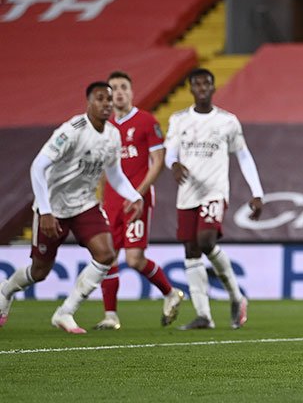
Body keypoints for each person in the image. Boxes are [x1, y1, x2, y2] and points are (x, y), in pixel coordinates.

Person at [0, 81, 144, 333]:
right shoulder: (71, 130)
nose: (106, 104)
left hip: (85, 205)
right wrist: (45, 210)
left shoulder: (112, 134)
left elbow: (115, 173)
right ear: (88, 103)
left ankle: (65, 312)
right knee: (40, 270)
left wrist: (135, 196)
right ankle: (6, 290)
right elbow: (38, 167)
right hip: (52, 207)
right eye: (100, 99)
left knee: (106, 254)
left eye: (109, 99)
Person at [164, 67, 264, 330]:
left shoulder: (227, 121)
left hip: (214, 191)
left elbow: (243, 155)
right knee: (191, 250)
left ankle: (236, 297)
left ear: (213, 87)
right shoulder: (178, 120)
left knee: (206, 240)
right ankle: (203, 315)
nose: (202, 89)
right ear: (190, 88)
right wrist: (173, 164)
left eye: (206, 84)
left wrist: (257, 192)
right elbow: (169, 153)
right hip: (187, 193)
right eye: (197, 84)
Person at [95, 70, 184, 330]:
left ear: (132, 92)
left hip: (138, 200)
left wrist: (139, 193)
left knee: (134, 259)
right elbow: (103, 167)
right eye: (114, 89)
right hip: (111, 201)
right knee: (106, 257)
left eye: (123, 87)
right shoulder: (105, 127)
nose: (119, 92)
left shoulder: (146, 121)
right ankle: (110, 316)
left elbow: (157, 162)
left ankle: (170, 293)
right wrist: (100, 198)